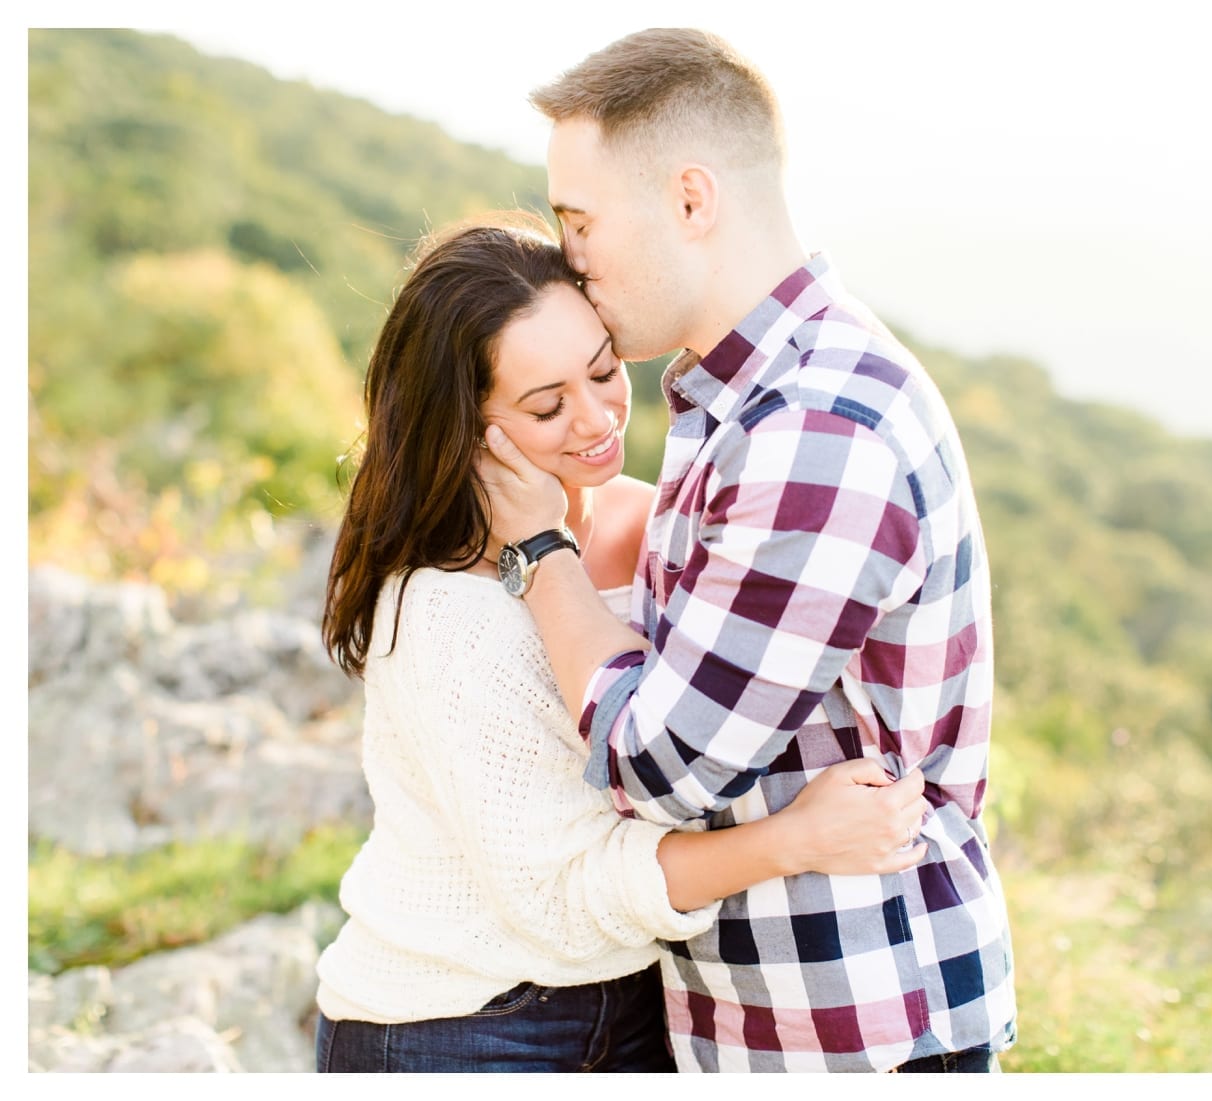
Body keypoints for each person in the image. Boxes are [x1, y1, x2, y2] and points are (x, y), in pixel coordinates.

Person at [477, 28, 1017, 1073]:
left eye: (581, 221)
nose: (569, 259)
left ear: (691, 200)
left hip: (855, 1029)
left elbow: (662, 763)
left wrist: (537, 548)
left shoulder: (814, 431)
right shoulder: (740, 400)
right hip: (781, 1023)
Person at [313, 215, 931, 1073]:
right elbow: (562, 900)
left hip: (643, 1006)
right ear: (466, 426)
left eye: (603, 370)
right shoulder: (447, 613)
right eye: (545, 404)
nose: (597, 417)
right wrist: (797, 839)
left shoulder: (658, 523)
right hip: (455, 1023)